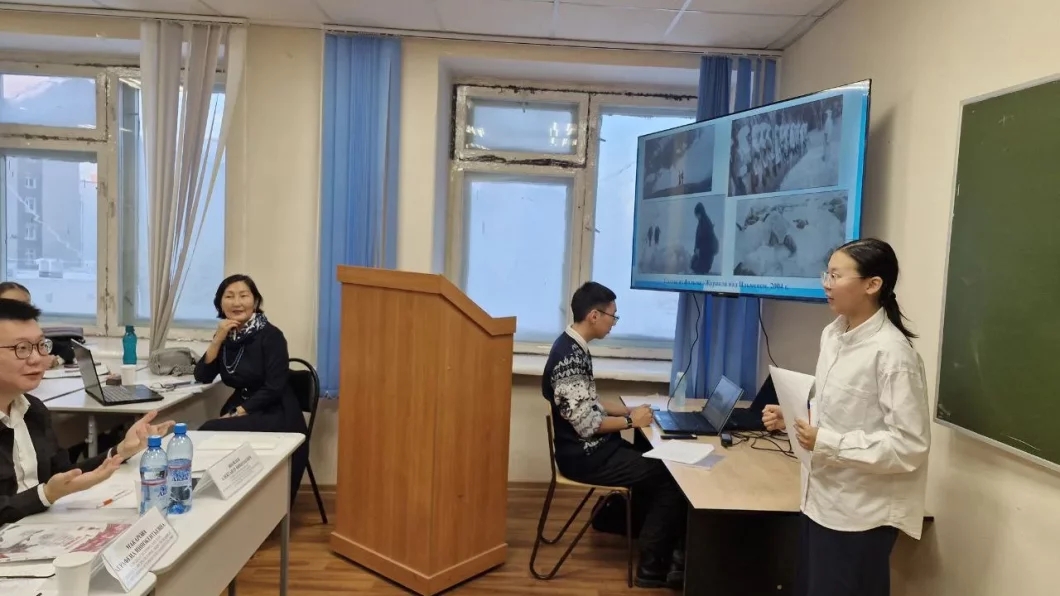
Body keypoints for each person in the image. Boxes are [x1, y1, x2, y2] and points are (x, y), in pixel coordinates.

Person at [762, 238, 930, 596]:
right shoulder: (834, 334)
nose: (827, 284)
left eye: (836, 276)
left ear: (872, 284)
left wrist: (827, 442)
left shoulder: (893, 354)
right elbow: (838, 408)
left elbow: (909, 446)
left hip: (860, 514)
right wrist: (793, 414)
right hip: (819, 500)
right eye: (827, 274)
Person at [542, 282, 686, 589]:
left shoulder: (572, 346)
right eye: (613, 316)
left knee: (655, 463)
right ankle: (651, 566)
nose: (614, 322)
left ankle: (652, 538)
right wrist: (631, 421)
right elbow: (586, 425)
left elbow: (589, 403)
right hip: (585, 457)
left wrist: (627, 410)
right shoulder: (569, 359)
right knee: (670, 478)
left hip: (590, 450)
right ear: (594, 315)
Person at [0, 298, 174, 524]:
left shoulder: (33, 410)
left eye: (41, 346)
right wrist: (46, 494)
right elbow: (47, 491)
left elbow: (63, 475)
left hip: (37, 527)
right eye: (21, 349)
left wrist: (121, 450)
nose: (36, 359)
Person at [195, 274, 308, 504]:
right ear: (220, 304)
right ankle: (228, 501)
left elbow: (274, 387)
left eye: (243, 296)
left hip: (276, 410)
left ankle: (251, 504)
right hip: (245, 405)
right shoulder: (227, 336)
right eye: (229, 296)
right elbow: (202, 376)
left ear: (255, 302)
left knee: (208, 429)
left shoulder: (272, 336)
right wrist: (217, 339)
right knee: (211, 433)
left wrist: (237, 412)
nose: (237, 303)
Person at [690, 202, 719, 275]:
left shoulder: (705, 223)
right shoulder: (702, 222)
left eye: (697, 214)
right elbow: (699, 238)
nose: (696, 217)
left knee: (697, 268)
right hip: (702, 253)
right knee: (693, 265)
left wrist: (699, 250)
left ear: (700, 213)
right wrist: (696, 249)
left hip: (705, 255)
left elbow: (706, 240)